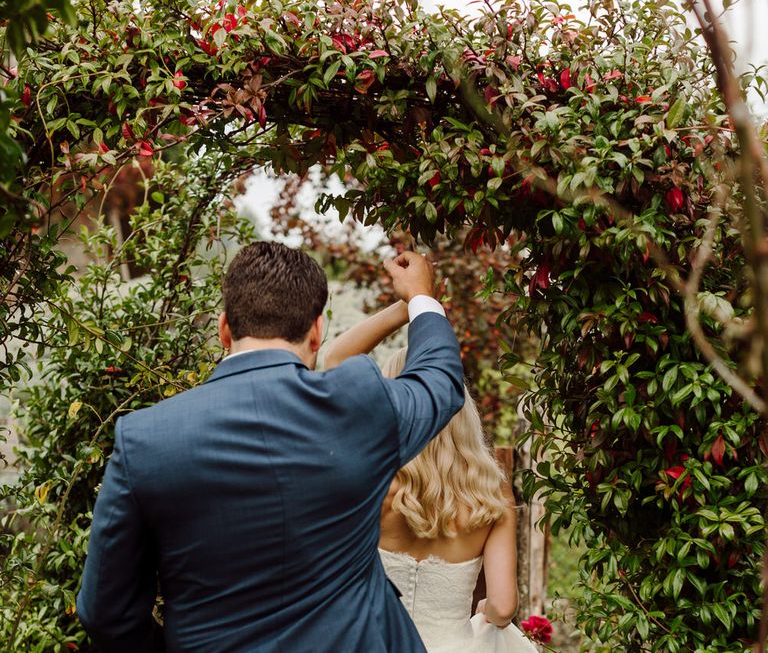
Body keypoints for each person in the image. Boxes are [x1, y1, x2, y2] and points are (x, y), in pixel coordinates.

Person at [76, 242, 465, 652]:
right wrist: (421, 297)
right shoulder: (358, 403)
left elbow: (105, 613)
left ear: (224, 329)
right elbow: (438, 380)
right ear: (317, 333)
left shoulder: (144, 438)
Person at [324, 301, 538, 653]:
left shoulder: (374, 481)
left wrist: (411, 303)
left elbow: (334, 361)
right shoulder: (493, 491)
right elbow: (503, 606)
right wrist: (485, 611)